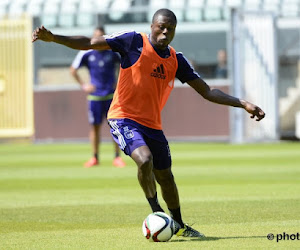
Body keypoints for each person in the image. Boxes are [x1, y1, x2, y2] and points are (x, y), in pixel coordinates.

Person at [32, 8, 265, 238]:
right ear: (152, 26)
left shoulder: (176, 59)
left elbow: (207, 91)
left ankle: (181, 225)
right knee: (144, 160)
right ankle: (157, 213)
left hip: (152, 124)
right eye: (161, 27)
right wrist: (54, 38)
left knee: (166, 177)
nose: (165, 32)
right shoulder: (133, 42)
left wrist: (243, 103)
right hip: (122, 117)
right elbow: (90, 43)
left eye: (170, 29)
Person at [70, 26, 126, 168]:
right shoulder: (87, 53)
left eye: (100, 36)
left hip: (110, 96)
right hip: (94, 97)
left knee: (115, 127)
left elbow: (125, 65)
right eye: (95, 37)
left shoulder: (112, 52)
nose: (97, 40)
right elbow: (73, 70)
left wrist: (119, 83)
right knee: (95, 127)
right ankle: (95, 157)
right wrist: (84, 86)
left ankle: (117, 157)